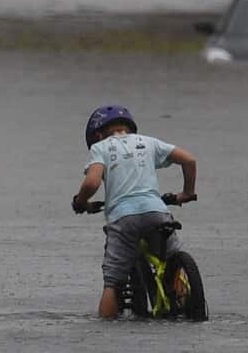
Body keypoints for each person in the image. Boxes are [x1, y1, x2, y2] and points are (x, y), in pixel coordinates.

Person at [71, 104, 197, 318]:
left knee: (112, 282)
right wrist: (186, 193)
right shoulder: (148, 142)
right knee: (172, 255)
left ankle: (103, 334)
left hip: (123, 218)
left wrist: (81, 202)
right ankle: (184, 293)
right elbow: (189, 160)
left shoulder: (100, 148)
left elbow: (92, 183)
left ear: (99, 134)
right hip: (157, 211)